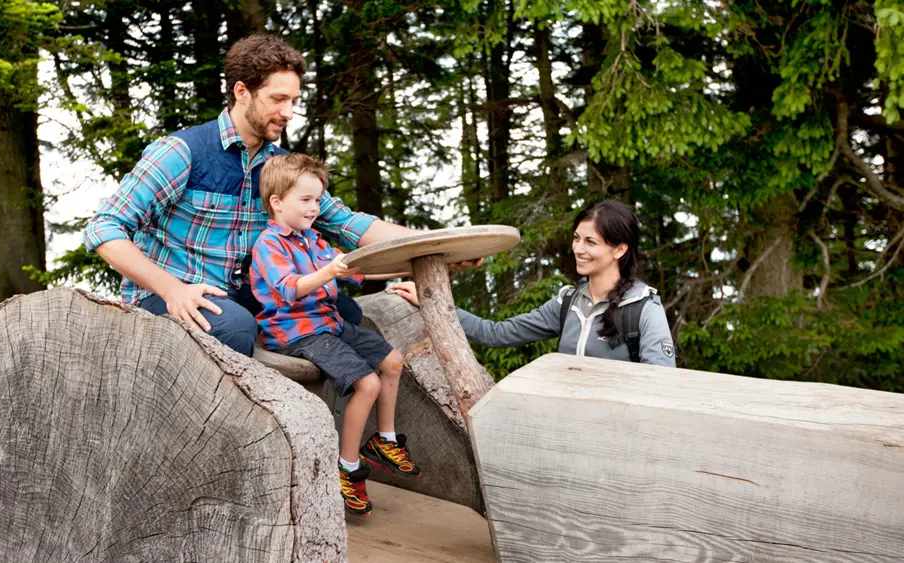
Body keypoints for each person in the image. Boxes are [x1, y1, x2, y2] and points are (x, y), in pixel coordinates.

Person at [82, 33, 416, 357]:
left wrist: (435, 246)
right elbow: (104, 228)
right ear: (242, 92)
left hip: (243, 293)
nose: (289, 112)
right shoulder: (181, 152)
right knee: (235, 326)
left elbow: (348, 224)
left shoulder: (279, 167)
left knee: (342, 311)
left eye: (293, 101)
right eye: (278, 99)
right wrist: (172, 289)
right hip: (171, 293)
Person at [250, 154, 422, 518]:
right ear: (277, 202)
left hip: (328, 323)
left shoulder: (313, 241)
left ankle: (384, 440)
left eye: (318, 199)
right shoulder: (269, 244)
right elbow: (290, 289)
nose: (315, 208)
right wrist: (330, 271)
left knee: (392, 362)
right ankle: (346, 468)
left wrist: (411, 264)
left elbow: (360, 268)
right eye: (306, 200)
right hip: (297, 332)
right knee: (368, 385)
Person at [390, 199, 676, 367]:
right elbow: (495, 334)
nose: (578, 249)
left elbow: (660, 387)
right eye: (577, 238)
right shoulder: (568, 302)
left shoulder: (644, 308)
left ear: (619, 249)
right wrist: (434, 303)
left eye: (591, 242)